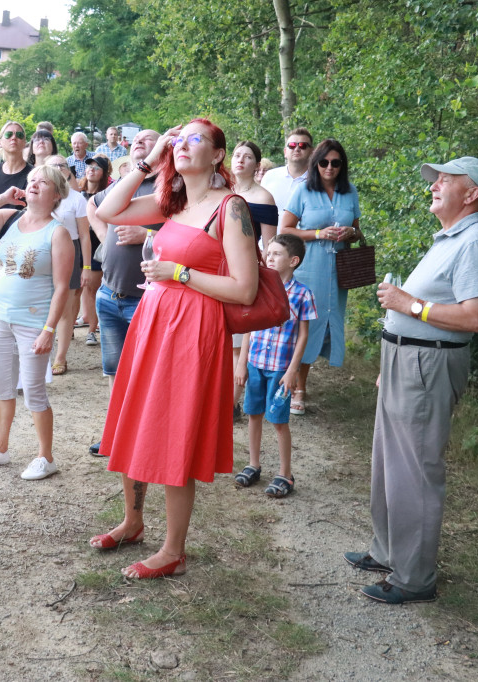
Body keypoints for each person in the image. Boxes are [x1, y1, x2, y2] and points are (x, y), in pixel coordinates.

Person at [89, 119, 259, 579]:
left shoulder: (231, 207)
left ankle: (173, 550)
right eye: (179, 141)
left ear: (219, 155)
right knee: (136, 416)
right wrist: (151, 155)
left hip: (193, 330)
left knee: (174, 429)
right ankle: (132, 521)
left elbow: (245, 289)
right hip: (154, 322)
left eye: (196, 139)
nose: (184, 146)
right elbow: (108, 210)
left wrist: (180, 274)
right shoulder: (172, 203)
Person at [345, 157, 478, 604]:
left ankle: (414, 578)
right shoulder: (449, 239)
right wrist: (390, 356)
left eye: (444, 181)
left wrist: (409, 306)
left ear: (471, 194)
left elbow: (475, 316)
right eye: (435, 180)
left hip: (428, 367)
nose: (434, 187)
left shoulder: (476, 242)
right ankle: (388, 551)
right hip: (405, 362)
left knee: (415, 470)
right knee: (388, 463)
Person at [0, 167, 73, 480]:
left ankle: (46, 457)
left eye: (42, 182)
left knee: (33, 392)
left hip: (33, 323)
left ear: (56, 194)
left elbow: (61, 287)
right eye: (31, 181)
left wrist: (49, 329)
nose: (33, 185)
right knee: (2, 389)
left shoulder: (58, 232)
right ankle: (0, 448)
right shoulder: (10, 219)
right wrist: (2, 197)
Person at [86, 129, 162, 456]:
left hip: (145, 299)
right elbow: (92, 204)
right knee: (114, 370)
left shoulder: (169, 187)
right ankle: (115, 434)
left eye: (149, 140)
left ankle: (144, 439)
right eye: (137, 141)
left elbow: (188, 235)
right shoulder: (122, 184)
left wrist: (146, 235)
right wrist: (106, 238)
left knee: (147, 373)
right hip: (109, 295)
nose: (139, 144)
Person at [278, 139, 362, 415]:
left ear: (342, 165)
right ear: (316, 164)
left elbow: (358, 231)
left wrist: (351, 233)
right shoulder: (304, 190)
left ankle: (300, 383)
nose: (329, 167)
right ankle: (295, 387)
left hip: (337, 271)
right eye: (324, 162)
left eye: (336, 163)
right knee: (306, 325)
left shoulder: (350, 193)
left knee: (325, 323)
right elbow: (286, 229)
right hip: (309, 267)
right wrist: (317, 234)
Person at [234, 234, 317, 498]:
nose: (269, 257)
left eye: (276, 254)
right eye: (268, 253)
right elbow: (249, 326)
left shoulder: (303, 294)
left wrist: (293, 370)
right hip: (256, 363)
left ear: (293, 261)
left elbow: (303, 335)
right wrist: (241, 364)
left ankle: (285, 474)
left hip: (281, 369)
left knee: (278, 420)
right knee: (253, 414)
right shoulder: (257, 287)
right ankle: (253, 464)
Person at [229, 140, 280, 419]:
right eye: (237, 155)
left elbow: (270, 243)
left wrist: (264, 276)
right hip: (215, 268)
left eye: (247, 157)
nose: (241, 160)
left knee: (238, 340)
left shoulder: (264, 198)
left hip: (246, 269)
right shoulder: (220, 189)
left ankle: (231, 404)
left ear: (256, 165)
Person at [46, 155, 92, 375]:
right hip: (43, 248)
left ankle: (60, 357)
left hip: (69, 251)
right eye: (52, 165)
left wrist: (86, 267)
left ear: (68, 170)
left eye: (61, 164)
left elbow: (84, 236)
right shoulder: (36, 194)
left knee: (65, 308)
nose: (57, 168)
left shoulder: (76, 199)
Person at [80, 155, 111, 346]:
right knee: (81, 287)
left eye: (97, 167)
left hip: (97, 242)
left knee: (93, 286)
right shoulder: (77, 192)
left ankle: (93, 329)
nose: (91, 169)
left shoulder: (107, 194)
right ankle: (85, 322)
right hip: (77, 242)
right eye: (89, 166)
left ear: (104, 173)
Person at [260, 127, 312, 213]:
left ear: (312, 152)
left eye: (303, 145)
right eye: (292, 145)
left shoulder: (319, 181)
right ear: (285, 152)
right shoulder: (269, 176)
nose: (297, 149)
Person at [0, 121, 32, 209]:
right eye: (8, 134)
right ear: (0, 142)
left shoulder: (33, 173)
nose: (14, 137)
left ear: (24, 142)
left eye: (19, 135)